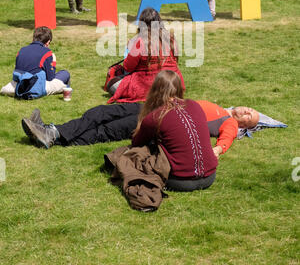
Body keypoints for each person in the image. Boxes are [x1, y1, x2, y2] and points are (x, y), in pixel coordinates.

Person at [20, 96, 260, 155]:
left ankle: (53, 135)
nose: (247, 111)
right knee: (102, 111)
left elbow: (225, 140)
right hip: (154, 104)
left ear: (244, 125)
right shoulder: (220, 107)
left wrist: (218, 150)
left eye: (249, 116)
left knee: (107, 130)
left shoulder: (228, 122)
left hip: (159, 119)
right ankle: (53, 130)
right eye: (250, 109)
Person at [132, 70, 218, 191]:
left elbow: (136, 143)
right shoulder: (195, 105)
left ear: (155, 90)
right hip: (210, 176)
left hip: (180, 180)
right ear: (179, 88)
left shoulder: (155, 116)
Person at [107, 7, 185, 103]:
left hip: (147, 85)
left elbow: (128, 67)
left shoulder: (141, 41)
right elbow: (175, 61)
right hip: (173, 84)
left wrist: (129, 49)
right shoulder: (171, 38)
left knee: (112, 84)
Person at [1, 26, 70, 98]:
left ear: (33, 38)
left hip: (19, 85)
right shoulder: (47, 52)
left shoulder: (22, 50)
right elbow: (50, 78)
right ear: (48, 42)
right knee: (65, 73)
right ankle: (67, 93)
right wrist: (54, 63)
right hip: (36, 88)